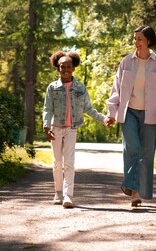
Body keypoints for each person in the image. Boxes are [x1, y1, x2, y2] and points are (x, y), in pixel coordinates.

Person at [105, 25, 156, 207]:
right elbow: (116, 88)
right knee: (132, 148)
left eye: (140, 39)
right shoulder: (127, 62)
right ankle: (134, 191)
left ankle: (136, 190)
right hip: (129, 112)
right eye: (135, 39)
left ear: (149, 41)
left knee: (146, 153)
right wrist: (112, 113)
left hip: (151, 114)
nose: (136, 42)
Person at [43, 50, 107, 208]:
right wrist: (46, 125)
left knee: (69, 163)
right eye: (62, 67)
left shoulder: (80, 87)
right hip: (56, 127)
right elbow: (47, 109)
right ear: (57, 68)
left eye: (68, 67)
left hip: (72, 128)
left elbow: (89, 109)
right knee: (57, 162)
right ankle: (58, 192)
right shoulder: (52, 88)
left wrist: (103, 118)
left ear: (73, 68)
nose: (65, 70)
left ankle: (67, 195)